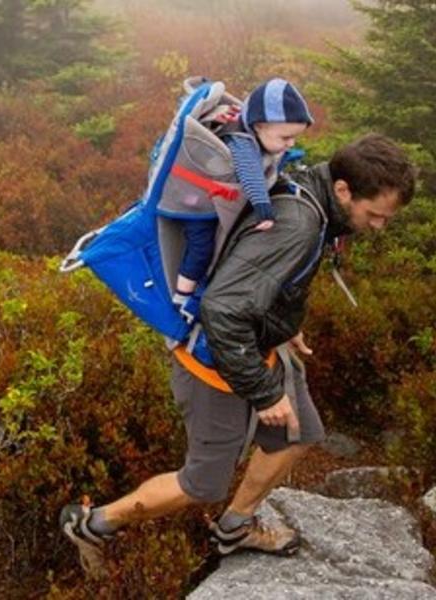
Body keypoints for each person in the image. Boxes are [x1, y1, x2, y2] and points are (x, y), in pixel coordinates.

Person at [60, 133, 417, 577]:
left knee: (298, 432)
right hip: (212, 359)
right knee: (201, 483)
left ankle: (235, 527)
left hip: (256, 345)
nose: (379, 226)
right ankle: (92, 523)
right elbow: (222, 311)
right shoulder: (299, 224)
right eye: (375, 214)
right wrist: (265, 395)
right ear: (344, 189)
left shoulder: (312, 194)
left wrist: (283, 322)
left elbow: (254, 277)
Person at [173, 78, 314, 321]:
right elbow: (251, 176)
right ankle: (181, 297)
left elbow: (268, 160)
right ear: (258, 126)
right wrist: (263, 209)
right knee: (201, 248)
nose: (290, 143)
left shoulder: (252, 127)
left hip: (218, 194)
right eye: (285, 138)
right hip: (196, 200)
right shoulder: (241, 142)